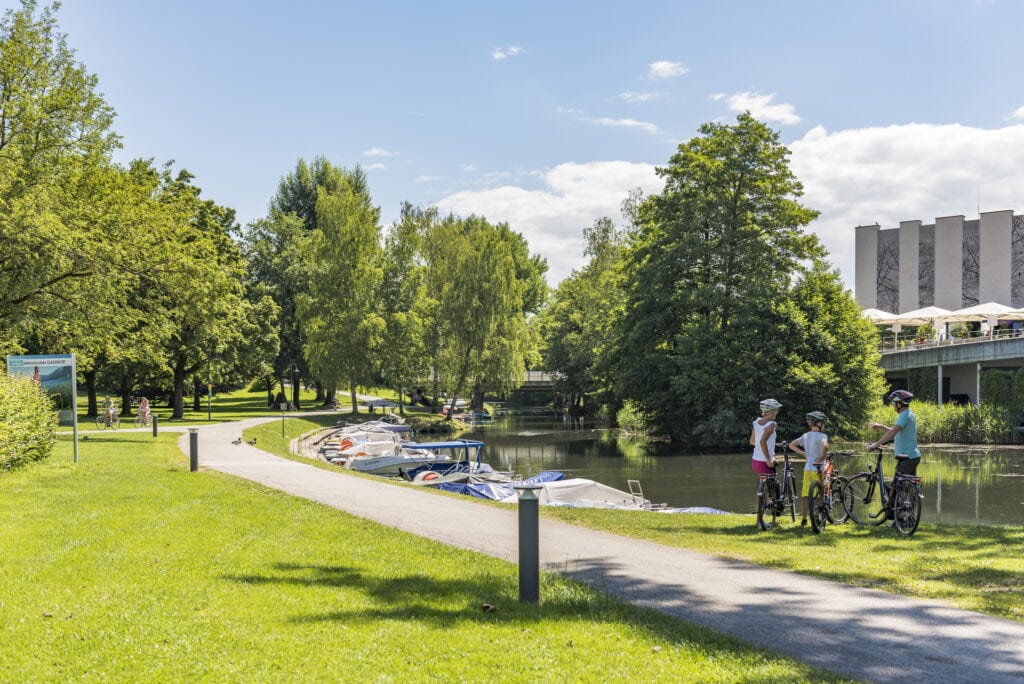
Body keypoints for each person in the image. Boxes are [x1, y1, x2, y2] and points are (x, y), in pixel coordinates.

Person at [867, 389, 920, 480]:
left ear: (899, 404)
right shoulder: (909, 413)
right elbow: (896, 432)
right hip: (912, 456)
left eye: (893, 403)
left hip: (907, 457)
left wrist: (875, 445)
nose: (892, 406)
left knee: (897, 488)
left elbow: (892, 433)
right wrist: (880, 426)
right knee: (904, 486)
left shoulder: (904, 415)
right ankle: (913, 493)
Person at [789, 411, 829, 527]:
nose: (824, 425)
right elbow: (825, 447)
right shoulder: (823, 436)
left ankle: (804, 519)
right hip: (818, 468)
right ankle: (816, 516)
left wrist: (803, 453)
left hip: (807, 468)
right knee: (818, 494)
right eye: (823, 423)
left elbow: (791, 445)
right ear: (819, 423)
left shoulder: (806, 436)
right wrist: (822, 457)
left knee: (806, 494)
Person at [750, 398, 783, 477]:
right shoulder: (771, 424)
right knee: (773, 488)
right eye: (776, 410)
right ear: (772, 411)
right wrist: (769, 459)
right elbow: (762, 442)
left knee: (765, 487)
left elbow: (752, 441)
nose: (777, 412)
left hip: (755, 461)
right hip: (765, 462)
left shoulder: (756, 422)